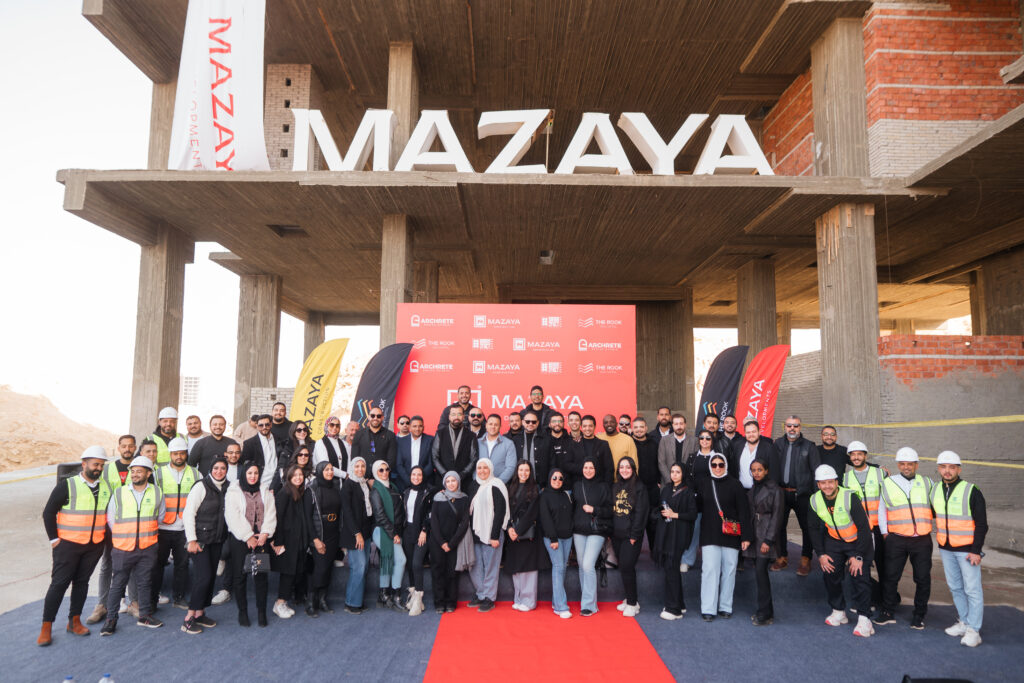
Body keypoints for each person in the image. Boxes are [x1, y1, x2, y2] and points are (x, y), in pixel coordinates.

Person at [38, 446, 112, 645]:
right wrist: (54, 540)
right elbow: (48, 512)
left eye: (101, 465)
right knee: (59, 585)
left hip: (94, 545)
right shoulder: (67, 485)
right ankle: (46, 627)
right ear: (84, 464)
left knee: (82, 583)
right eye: (95, 464)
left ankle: (74, 621)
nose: (98, 468)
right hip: (68, 546)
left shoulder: (106, 488)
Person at [101, 455, 166, 636]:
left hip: (148, 546)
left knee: (145, 582)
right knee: (118, 584)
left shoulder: (157, 492)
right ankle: (111, 619)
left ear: (148, 473)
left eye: (139, 471)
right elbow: (111, 518)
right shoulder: (119, 492)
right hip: (123, 547)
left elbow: (160, 517)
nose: (135, 474)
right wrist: (124, 535)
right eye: (133, 471)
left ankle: (144, 616)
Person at [808, 465, 875, 637]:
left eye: (830, 482)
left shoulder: (849, 497)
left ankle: (865, 619)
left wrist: (858, 556)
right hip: (834, 541)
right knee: (830, 572)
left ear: (837, 482)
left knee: (860, 576)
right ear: (818, 484)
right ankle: (838, 611)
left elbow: (864, 528)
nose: (827, 486)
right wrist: (821, 554)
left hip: (858, 541)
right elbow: (813, 529)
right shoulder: (814, 500)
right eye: (823, 483)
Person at [874, 447, 935, 630]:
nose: (906, 467)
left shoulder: (928, 482)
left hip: (922, 540)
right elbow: (882, 510)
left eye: (910, 464)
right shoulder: (888, 483)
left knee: (922, 579)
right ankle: (888, 612)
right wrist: (885, 533)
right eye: (902, 464)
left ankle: (919, 615)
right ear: (898, 465)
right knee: (890, 577)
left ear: (916, 465)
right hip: (897, 539)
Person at [933, 451, 987, 647]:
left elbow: (982, 524)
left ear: (959, 469)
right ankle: (964, 622)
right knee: (955, 587)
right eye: (943, 467)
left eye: (952, 467)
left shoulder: (971, 490)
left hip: (967, 550)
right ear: (939, 469)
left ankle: (974, 630)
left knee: (972, 589)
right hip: (946, 548)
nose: (947, 471)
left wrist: (976, 550)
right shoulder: (935, 490)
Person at [697, 453, 752, 621]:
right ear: (710, 466)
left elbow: (744, 511)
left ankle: (725, 606)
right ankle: (708, 608)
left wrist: (746, 536)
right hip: (710, 534)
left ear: (726, 465)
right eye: (714, 465)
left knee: (729, 571)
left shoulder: (736, 485)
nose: (717, 468)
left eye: (721, 464)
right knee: (709, 571)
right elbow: (697, 507)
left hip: (731, 534)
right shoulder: (704, 483)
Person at [87, 436, 135, 625]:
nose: (127, 449)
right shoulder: (107, 470)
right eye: (124, 446)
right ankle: (102, 604)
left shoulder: (140, 467)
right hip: (110, 524)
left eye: (130, 446)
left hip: (132, 525)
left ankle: (133, 602)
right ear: (119, 448)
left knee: (132, 563)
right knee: (107, 564)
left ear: (135, 447)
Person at [180, 457, 228, 634]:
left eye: (223, 468)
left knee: (210, 577)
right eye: (216, 468)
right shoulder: (201, 486)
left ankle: (200, 613)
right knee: (204, 577)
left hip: (217, 540)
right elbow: (188, 513)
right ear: (210, 469)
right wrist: (191, 540)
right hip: (199, 541)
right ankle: (189, 618)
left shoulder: (229, 487)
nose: (219, 471)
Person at [225, 461, 276, 627]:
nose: (253, 476)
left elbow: (271, 513)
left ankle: (261, 612)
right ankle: (243, 612)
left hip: (261, 539)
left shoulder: (265, 491)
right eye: (249, 473)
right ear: (244, 474)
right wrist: (247, 536)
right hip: (241, 540)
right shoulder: (233, 491)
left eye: (255, 473)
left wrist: (265, 533)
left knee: (261, 576)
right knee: (240, 577)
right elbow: (232, 516)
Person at [151, 437, 198, 611]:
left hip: (184, 527)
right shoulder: (158, 474)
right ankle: (153, 598)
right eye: (175, 453)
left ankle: (179, 597)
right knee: (158, 564)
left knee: (182, 564)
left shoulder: (196, 474)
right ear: (170, 454)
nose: (179, 456)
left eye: (182, 453)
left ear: (186, 454)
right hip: (162, 526)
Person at [769, 415, 819, 576]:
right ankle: (782, 557)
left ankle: (806, 559)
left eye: (795, 426)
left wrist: (816, 496)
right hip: (782, 493)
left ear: (800, 427)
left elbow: (816, 471)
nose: (792, 428)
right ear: (785, 426)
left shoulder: (809, 446)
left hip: (802, 494)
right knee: (779, 526)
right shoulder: (777, 444)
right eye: (789, 425)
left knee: (806, 527)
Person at [842, 440, 888, 607]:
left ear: (865, 456)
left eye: (859, 454)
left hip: (878, 528)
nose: (856, 457)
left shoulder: (880, 474)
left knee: (883, 566)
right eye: (853, 455)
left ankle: (885, 601)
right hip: (860, 530)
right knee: (862, 567)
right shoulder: (846, 478)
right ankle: (864, 601)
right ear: (850, 457)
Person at [655, 463, 698, 621]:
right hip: (666, 533)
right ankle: (679, 604)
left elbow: (693, 514)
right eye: (672, 471)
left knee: (672, 568)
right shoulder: (666, 489)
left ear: (683, 474)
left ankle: (674, 609)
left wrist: (675, 515)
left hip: (679, 534)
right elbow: (660, 506)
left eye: (677, 472)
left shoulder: (688, 491)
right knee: (670, 568)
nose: (674, 474)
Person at [270, 464, 313, 620]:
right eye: (295, 475)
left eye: (300, 475)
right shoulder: (284, 493)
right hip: (286, 541)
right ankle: (279, 603)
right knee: (287, 573)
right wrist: (278, 542)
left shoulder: (299, 492)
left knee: (293, 572)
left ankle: (284, 602)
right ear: (289, 477)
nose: (298, 478)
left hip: (298, 540)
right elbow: (278, 519)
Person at [505, 460, 548, 612]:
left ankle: (529, 601)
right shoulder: (510, 487)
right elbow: (506, 510)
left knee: (528, 569)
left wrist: (518, 530)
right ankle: (518, 598)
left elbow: (532, 513)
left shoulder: (535, 488)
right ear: (517, 471)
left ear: (531, 472)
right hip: (512, 533)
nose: (523, 473)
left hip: (527, 533)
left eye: (527, 470)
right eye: (521, 470)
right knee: (516, 568)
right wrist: (509, 528)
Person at [744, 458, 783, 626]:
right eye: (753, 470)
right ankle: (766, 611)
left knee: (761, 573)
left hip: (766, 536)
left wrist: (768, 540)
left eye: (759, 469)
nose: (756, 473)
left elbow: (777, 517)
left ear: (766, 470)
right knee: (759, 574)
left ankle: (765, 613)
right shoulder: (753, 488)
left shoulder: (775, 490)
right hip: (755, 534)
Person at [467, 457, 509, 613]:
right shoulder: (473, 485)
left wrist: (495, 536)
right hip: (475, 533)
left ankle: (489, 598)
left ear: (491, 469)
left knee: (491, 566)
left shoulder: (496, 485)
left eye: (485, 468)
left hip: (492, 533)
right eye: (479, 468)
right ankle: (481, 594)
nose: (482, 471)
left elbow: (500, 512)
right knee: (475, 566)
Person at [572, 458, 612, 616]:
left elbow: (610, 510)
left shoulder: (603, 487)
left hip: (597, 531)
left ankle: (589, 605)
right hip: (579, 531)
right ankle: (587, 601)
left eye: (591, 467)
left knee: (588, 565)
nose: (588, 470)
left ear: (596, 469)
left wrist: (594, 510)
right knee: (582, 566)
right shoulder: (577, 485)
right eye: (585, 467)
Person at [611, 456, 648, 617]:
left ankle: (632, 603)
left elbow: (641, 513)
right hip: (617, 535)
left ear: (633, 469)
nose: (624, 470)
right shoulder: (615, 486)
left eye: (628, 467)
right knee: (624, 567)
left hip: (631, 536)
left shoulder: (640, 487)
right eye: (621, 467)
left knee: (627, 566)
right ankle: (630, 599)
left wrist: (635, 534)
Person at [429, 472, 471, 613]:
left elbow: (465, 522)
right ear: (444, 483)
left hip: (455, 541)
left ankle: (451, 602)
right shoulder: (438, 497)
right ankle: (439, 603)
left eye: (454, 480)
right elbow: (433, 521)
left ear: (458, 482)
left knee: (452, 573)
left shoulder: (464, 498)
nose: (451, 483)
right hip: (437, 541)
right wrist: (442, 542)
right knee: (438, 572)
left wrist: (452, 543)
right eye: (448, 481)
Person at [370, 459, 407, 611]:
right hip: (382, 530)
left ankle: (384, 595)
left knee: (388, 561)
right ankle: (396, 596)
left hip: (395, 530)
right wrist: (393, 534)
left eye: (387, 469)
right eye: (381, 470)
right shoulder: (376, 490)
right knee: (401, 559)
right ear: (375, 472)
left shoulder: (393, 487)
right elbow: (380, 515)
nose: (385, 473)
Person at [307, 461, 342, 617]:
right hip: (319, 534)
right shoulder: (312, 489)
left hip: (333, 533)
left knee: (328, 568)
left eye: (331, 469)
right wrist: (315, 539)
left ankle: (322, 601)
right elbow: (308, 518)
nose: (329, 472)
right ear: (320, 471)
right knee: (320, 568)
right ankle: (310, 602)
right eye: (326, 469)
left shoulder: (335, 487)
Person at [340, 457, 374, 614]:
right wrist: (357, 533)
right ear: (352, 468)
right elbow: (347, 512)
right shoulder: (348, 485)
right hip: (354, 534)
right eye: (357, 466)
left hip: (365, 533)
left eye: (362, 466)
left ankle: (357, 601)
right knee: (358, 567)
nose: (360, 469)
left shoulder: (364, 484)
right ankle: (351, 603)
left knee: (364, 567)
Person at [539, 468, 574, 618]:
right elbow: (545, 519)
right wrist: (553, 538)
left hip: (567, 537)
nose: (557, 481)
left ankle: (556, 601)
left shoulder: (566, 495)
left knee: (562, 568)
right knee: (559, 567)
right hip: (553, 538)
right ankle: (561, 607)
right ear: (549, 479)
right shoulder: (544, 496)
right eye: (554, 478)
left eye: (560, 478)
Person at [400, 466, 433, 616]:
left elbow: (429, 514)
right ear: (410, 476)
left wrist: (424, 530)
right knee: (410, 565)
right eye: (414, 474)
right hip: (408, 532)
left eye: (419, 475)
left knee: (417, 564)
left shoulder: (428, 492)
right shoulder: (406, 492)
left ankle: (419, 598)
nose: (416, 477)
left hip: (422, 533)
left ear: (423, 476)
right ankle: (413, 595)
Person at [432, 405, 479, 489]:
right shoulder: (440, 433)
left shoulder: (471, 435)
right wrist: (445, 474)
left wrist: (461, 475)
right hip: (442, 480)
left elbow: (474, 458)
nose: (456, 417)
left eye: (459, 414)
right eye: (453, 414)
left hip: (464, 482)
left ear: (463, 416)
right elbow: (434, 457)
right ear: (449, 416)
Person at [632, 416, 661, 553]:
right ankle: (633, 554)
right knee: (636, 522)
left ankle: (655, 554)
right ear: (632, 429)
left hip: (653, 489)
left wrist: (659, 482)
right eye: (636, 427)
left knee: (653, 523)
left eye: (641, 427)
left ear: (646, 428)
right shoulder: (629, 443)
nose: (639, 430)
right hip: (635, 490)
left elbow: (659, 463)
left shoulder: (655, 443)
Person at [731, 419, 778, 491]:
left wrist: (770, 491)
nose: (751, 435)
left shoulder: (769, 448)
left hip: (761, 492)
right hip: (740, 490)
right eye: (748, 432)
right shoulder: (737, 446)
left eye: (754, 431)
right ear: (745, 433)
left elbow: (774, 473)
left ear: (759, 432)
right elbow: (733, 469)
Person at [395, 416, 434, 491]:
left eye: (420, 426)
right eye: (414, 426)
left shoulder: (430, 440)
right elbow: (399, 464)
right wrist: (409, 481)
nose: (417, 429)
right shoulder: (401, 441)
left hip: (425, 482)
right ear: (409, 427)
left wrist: (419, 478)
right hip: (405, 483)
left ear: (423, 427)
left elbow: (431, 463)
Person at [512, 412, 552, 484]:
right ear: (523, 422)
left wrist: (547, 484)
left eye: (534, 422)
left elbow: (552, 462)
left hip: (541, 484)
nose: (530, 424)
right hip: (520, 483)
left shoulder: (546, 440)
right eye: (527, 421)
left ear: (537, 423)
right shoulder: (515, 440)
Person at [657, 413, 694, 485]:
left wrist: (686, 481)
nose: (679, 426)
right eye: (676, 424)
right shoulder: (664, 440)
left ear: (685, 425)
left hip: (687, 484)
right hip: (668, 483)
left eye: (681, 424)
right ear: (672, 425)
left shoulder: (694, 441)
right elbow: (661, 462)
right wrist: (670, 480)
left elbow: (694, 463)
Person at [241, 414, 277, 489]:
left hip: (276, 483)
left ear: (271, 424)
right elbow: (246, 466)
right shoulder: (249, 444)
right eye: (261, 425)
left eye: (267, 424)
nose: (264, 427)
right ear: (257, 426)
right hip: (259, 483)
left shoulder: (279, 440)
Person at [479, 414, 516, 483]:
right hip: (479, 484)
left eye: (496, 425)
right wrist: (477, 480)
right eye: (490, 424)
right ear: (486, 425)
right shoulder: (478, 442)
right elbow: (473, 464)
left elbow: (511, 467)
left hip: (499, 485)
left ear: (500, 426)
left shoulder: (508, 444)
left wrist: (497, 483)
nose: (493, 427)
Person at [598, 414, 637, 479]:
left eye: (612, 422)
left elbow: (634, 462)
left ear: (617, 424)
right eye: (606, 422)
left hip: (623, 480)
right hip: (603, 480)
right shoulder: (598, 438)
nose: (609, 424)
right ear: (603, 425)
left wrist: (633, 481)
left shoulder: (628, 440)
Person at [579, 415, 614, 484]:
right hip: (580, 485)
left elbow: (609, 468)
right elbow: (568, 465)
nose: (587, 428)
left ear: (594, 427)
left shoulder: (603, 444)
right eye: (585, 426)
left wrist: (606, 486)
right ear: (581, 427)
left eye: (590, 426)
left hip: (599, 484)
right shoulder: (574, 444)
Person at [547, 413, 577, 489]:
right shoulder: (544, 441)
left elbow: (575, 464)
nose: (557, 424)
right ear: (549, 424)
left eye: (560, 421)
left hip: (568, 486)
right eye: (554, 421)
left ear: (564, 423)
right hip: (548, 486)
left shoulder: (572, 441)